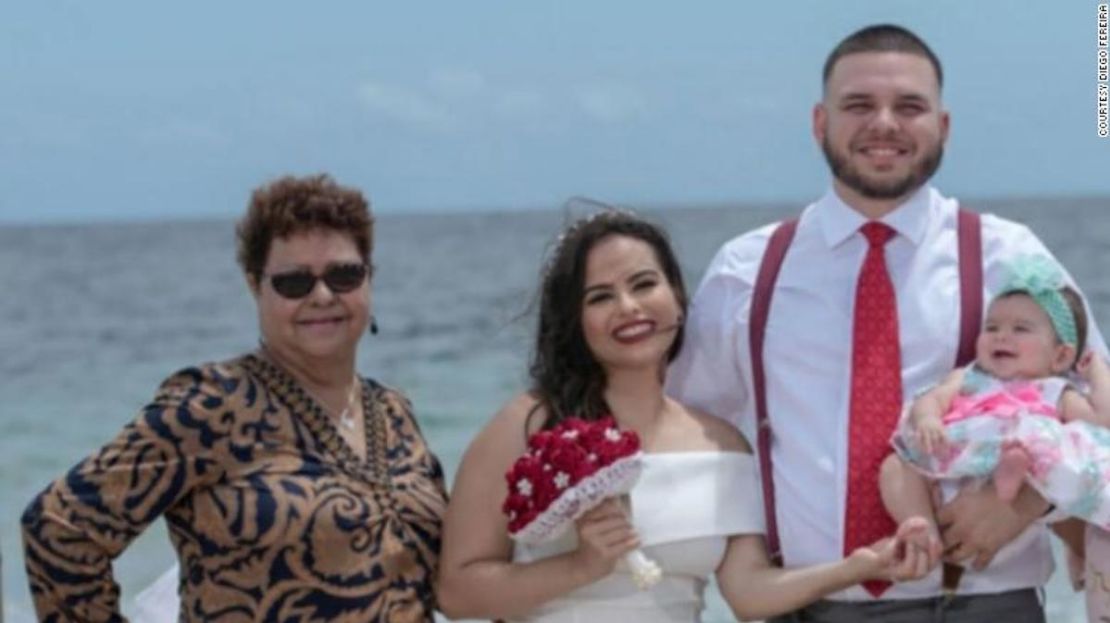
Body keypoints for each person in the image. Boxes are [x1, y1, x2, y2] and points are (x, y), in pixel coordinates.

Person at [666, 24, 1109, 622]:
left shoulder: (1010, 257)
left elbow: (1093, 409)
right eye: (858, 105)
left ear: (942, 127)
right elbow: (694, 438)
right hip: (806, 605)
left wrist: (1028, 505)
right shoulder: (748, 269)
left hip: (983, 604)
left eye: (909, 106)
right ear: (820, 123)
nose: (884, 124)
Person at [436, 209, 933, 623]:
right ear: (575, 321)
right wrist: (582, 566)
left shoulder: (721, 443)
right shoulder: (528, 425)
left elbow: (747, 592)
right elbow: (457, 593)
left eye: (643, 284)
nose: (628, 307)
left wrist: (856, 567)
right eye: (600, 297)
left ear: (676, 295)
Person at [21, 174, 448, 622]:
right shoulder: (212, 406)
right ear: (254, 285)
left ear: (368, 279)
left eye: (344, 275)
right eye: (293, 282)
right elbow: (58, 529)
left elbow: (450, 581)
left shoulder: (393, 413)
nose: (322, 296)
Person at [881, 256, 1110, 562]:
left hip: (1009, 463)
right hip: (950, 456)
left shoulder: (1055, 392)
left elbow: (1101, 422)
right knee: (894, 467)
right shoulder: (969, 377)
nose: (1002, 335)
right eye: (992, 327)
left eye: (1021, 329)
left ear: (1060, 356)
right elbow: (932, 397)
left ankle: (1012, 472)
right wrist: (928, 418)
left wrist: (1096, 371)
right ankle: (923, 529)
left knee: (1050, 444)